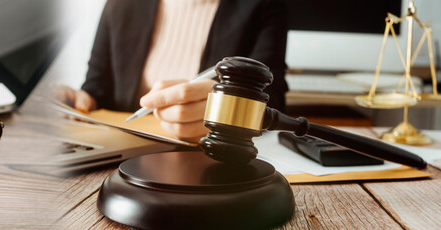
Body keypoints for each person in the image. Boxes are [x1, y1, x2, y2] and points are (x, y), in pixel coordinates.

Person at [58, 0, 288, 142]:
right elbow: (97, 88)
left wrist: (224, 108)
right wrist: (80, 100)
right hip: (118, 152)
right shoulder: (120, 4)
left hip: (206, 159)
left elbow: (271, 97)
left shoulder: (264, 6)